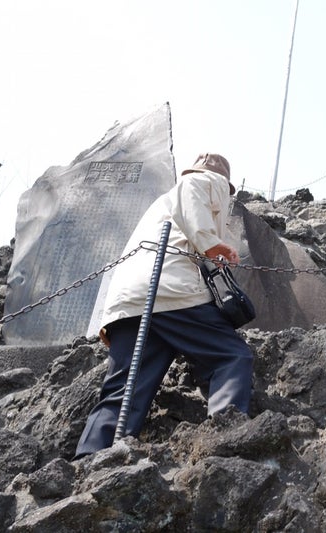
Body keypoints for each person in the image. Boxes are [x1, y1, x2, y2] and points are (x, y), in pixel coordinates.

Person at [75, 153, 254, 458]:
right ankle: (226, 440)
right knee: (231, 356)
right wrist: (210, 241)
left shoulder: (159, 208)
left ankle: (88, 461)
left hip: (129, 301)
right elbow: (192, 196)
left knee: (123, 391)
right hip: (170, 292)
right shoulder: (203, 180)